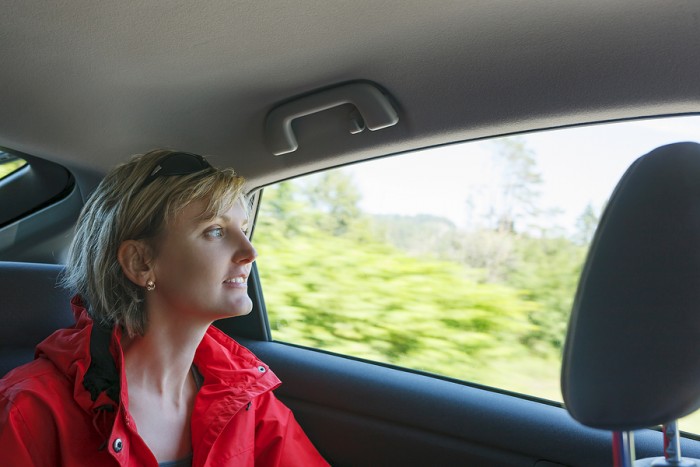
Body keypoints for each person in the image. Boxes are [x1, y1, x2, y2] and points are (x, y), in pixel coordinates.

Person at [0, 149, 329, 466]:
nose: (249, 251)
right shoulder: (30, 409)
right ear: (141, 262)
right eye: (215, 231)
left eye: (243, 231)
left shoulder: (243, 396)